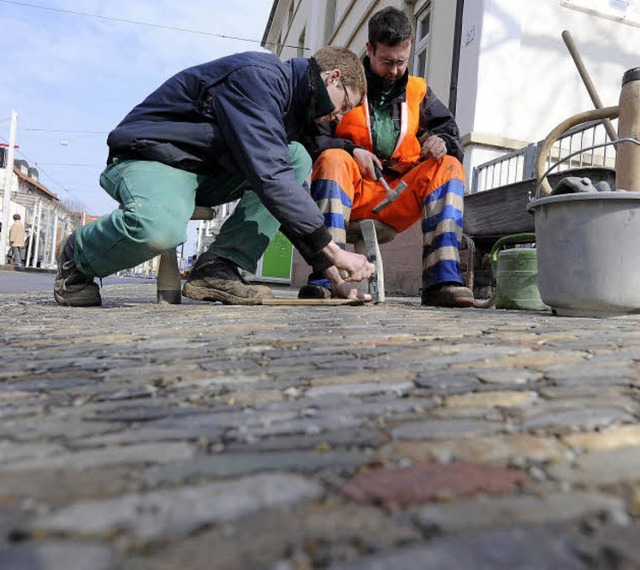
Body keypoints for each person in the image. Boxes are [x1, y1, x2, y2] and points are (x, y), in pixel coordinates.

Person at [53, 47, 373, 307]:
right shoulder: (259, 78)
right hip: (154, 156)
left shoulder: (291, 114)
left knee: (296, 156)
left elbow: (290, 196)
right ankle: (77, 256)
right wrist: (335, 250)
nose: (340, 117)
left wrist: (333, 277)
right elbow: (272, 177)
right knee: (160, 230)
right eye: (346, 105)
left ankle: (217, 267)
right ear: (333, 77)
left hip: (204, 172)